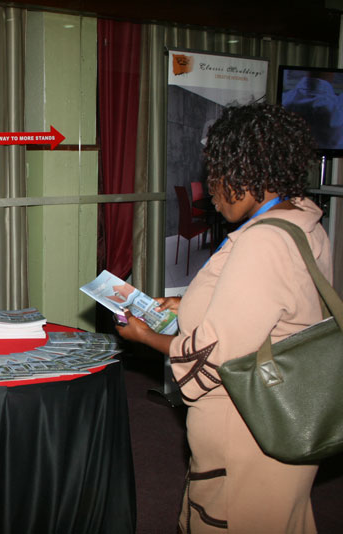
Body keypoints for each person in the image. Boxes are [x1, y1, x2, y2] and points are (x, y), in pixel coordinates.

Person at [116, 103, 332, 533]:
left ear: (248, 175)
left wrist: (144, 337)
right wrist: (186, 305)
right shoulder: (300, 219)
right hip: (284, 410)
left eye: (217, 175)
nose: (210, 190)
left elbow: (214, 354)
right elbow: (276, 309)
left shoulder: (263, 243)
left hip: (249, 430)